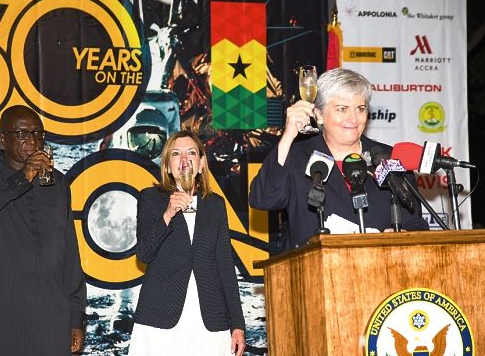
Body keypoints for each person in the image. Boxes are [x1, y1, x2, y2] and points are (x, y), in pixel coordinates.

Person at [0, 105, 86, 355]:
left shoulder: (58, 183)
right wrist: (22, 178)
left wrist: (75, 318)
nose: (33, 141)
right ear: (3, 138)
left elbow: (69, 256)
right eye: (23, 134)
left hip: (49, 317)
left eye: (38, 133)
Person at [249, 68, 428, 250]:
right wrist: (287, 136)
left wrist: (404, 234)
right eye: (342, 109)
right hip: (314, 272)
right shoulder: (298, 156)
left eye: (360, 109)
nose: (353, 119)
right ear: (318, 114)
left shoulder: (387, 159)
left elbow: (416, 224)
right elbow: (263, 199)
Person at [129, 130, 246, 356]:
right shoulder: (151, 198)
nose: (184, 159)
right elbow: (143, 254)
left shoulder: (215, 204)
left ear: (201, 163)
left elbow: (225, 266)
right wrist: (168, 214)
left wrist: (238, 324)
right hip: (160, 315)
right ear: (167, 166)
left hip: (211, 316)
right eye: (176, 153)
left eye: (191, 153)